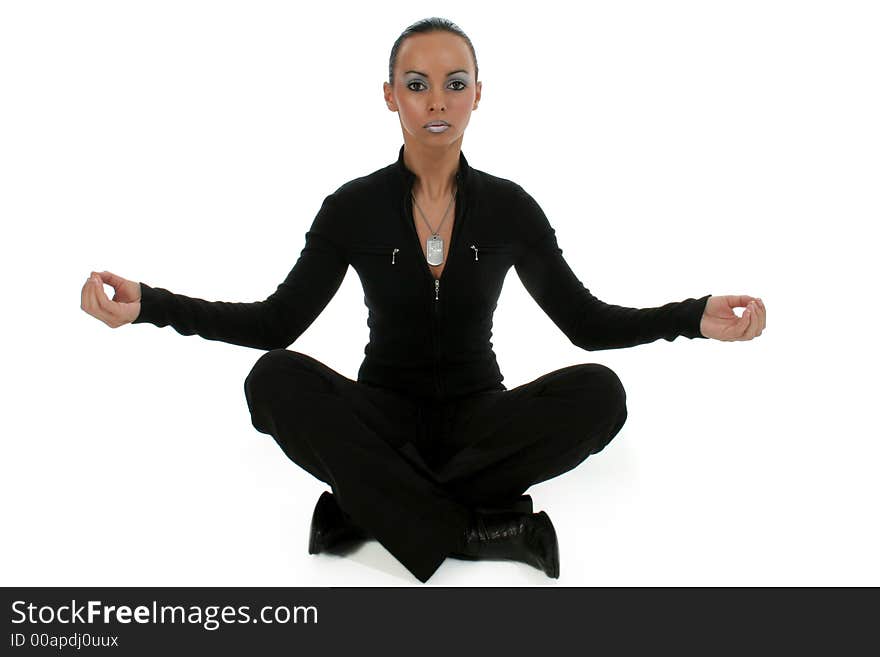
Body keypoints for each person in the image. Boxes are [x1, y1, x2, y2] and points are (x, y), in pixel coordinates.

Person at [80, 17, 767, 584]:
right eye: (417, 85)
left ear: (477, 96)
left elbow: (584, 325)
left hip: (480, 417)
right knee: (272, 381)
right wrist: (150, 304)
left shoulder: (509, 209)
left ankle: (370, 508)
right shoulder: (351, 209)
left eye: (453, 83)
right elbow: (277, 322)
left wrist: (692, 317)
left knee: (601, 394)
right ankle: (477, 527)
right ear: (390, 97)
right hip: (380, 415)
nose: (436, 101)